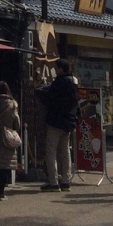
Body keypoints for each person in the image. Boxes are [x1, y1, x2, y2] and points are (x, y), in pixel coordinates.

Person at [36, 60, 79, 191]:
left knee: (51, 151)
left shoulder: (58, 83)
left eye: (56, 68)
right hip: (69, 122)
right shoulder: (74, 82)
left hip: (55, 121)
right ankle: (66, 180)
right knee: (65, 151)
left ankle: (53, 182)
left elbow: (51, 99)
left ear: (60, 69)